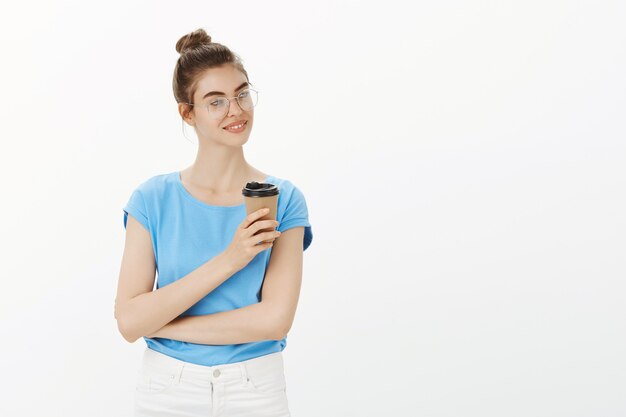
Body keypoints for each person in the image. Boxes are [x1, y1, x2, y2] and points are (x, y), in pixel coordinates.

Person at [114, 28, 313, 417]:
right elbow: (130, 320)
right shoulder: (152, 200)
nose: (235, 110)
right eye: (216, 101)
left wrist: (162, 324)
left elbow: (274, 320)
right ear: (188, 113)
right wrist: (232, 258)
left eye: (241, 93)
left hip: (255, 389)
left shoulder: (284, 199)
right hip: (167, 389)